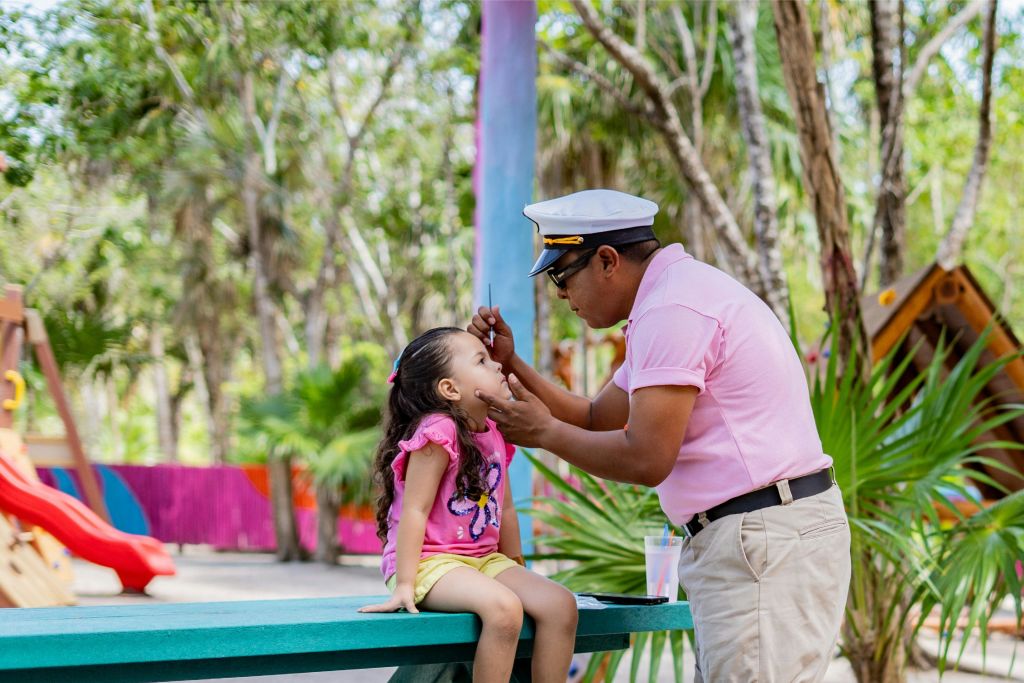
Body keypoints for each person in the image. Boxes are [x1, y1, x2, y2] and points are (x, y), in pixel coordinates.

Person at [468, 189, 851, 682]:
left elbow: (647, 458)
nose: (562, 295)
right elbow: (595, 416)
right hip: (758, 535)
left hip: (762, 537)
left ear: (607, 260)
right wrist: (512, 364)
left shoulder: (673, 310)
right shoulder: (672, 295)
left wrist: (543, 434)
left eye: (563, 276)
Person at [359, 326, 578, 683]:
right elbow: (414, 510)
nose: (496, 366)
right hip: (431, 562)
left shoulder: (495, 432)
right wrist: (404, 583)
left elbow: (504, 507)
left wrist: (515, 563)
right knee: (505, 609)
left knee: (560, 606)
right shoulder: (437, 431)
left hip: (482, 561)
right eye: (482, 360)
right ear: (450, 388)